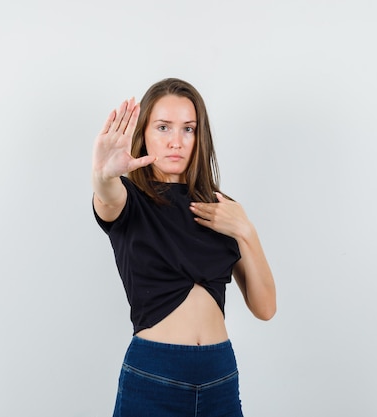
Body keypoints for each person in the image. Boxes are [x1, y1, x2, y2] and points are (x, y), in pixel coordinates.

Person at [91, 78, 276, 417]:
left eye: (188, 129)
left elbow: (265, 308)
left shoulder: (222, 208)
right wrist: (103, 174)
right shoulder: (130, 201)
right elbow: (106, 195)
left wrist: (246, 230)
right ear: (143, 132)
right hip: (155, 374)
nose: (176, 141)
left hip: (219, 374)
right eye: (163, 127)